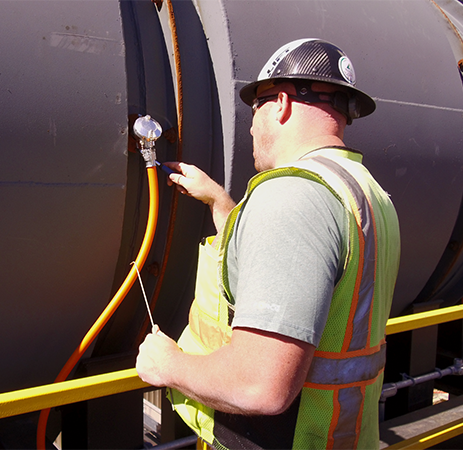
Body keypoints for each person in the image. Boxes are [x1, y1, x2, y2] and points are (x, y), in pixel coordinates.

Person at [136, 38, 401, 449]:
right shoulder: (365, 193)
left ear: (280, 103)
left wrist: (169, 366)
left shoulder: (292, 199)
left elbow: (259, 385)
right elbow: (307, 267)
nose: (251, 125)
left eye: (254, 109)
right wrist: (222, 205)